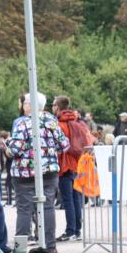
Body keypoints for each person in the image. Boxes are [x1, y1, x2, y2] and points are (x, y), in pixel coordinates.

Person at [7, 92, 69, 252]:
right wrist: (47, 149)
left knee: (24, 209)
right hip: (49, 172)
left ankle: (20, 249)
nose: (23, 105)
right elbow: (64, 145)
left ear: (30, 105)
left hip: (24, 173)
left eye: (25, 102)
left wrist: (8, 143)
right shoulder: (52, 121)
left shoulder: (22, 123)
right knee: (48, 207)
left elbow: (15, 149)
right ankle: (50, 247)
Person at [53, 96, 86, 241]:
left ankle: (70, 230)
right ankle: (77, 230)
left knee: (68, 200)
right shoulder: (77, 122)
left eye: (54, 105)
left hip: (65, 165)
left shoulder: (60, 124)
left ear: (58, 107)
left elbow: (59, 145)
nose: (52, 108)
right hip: (77, 164)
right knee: (76, 198)